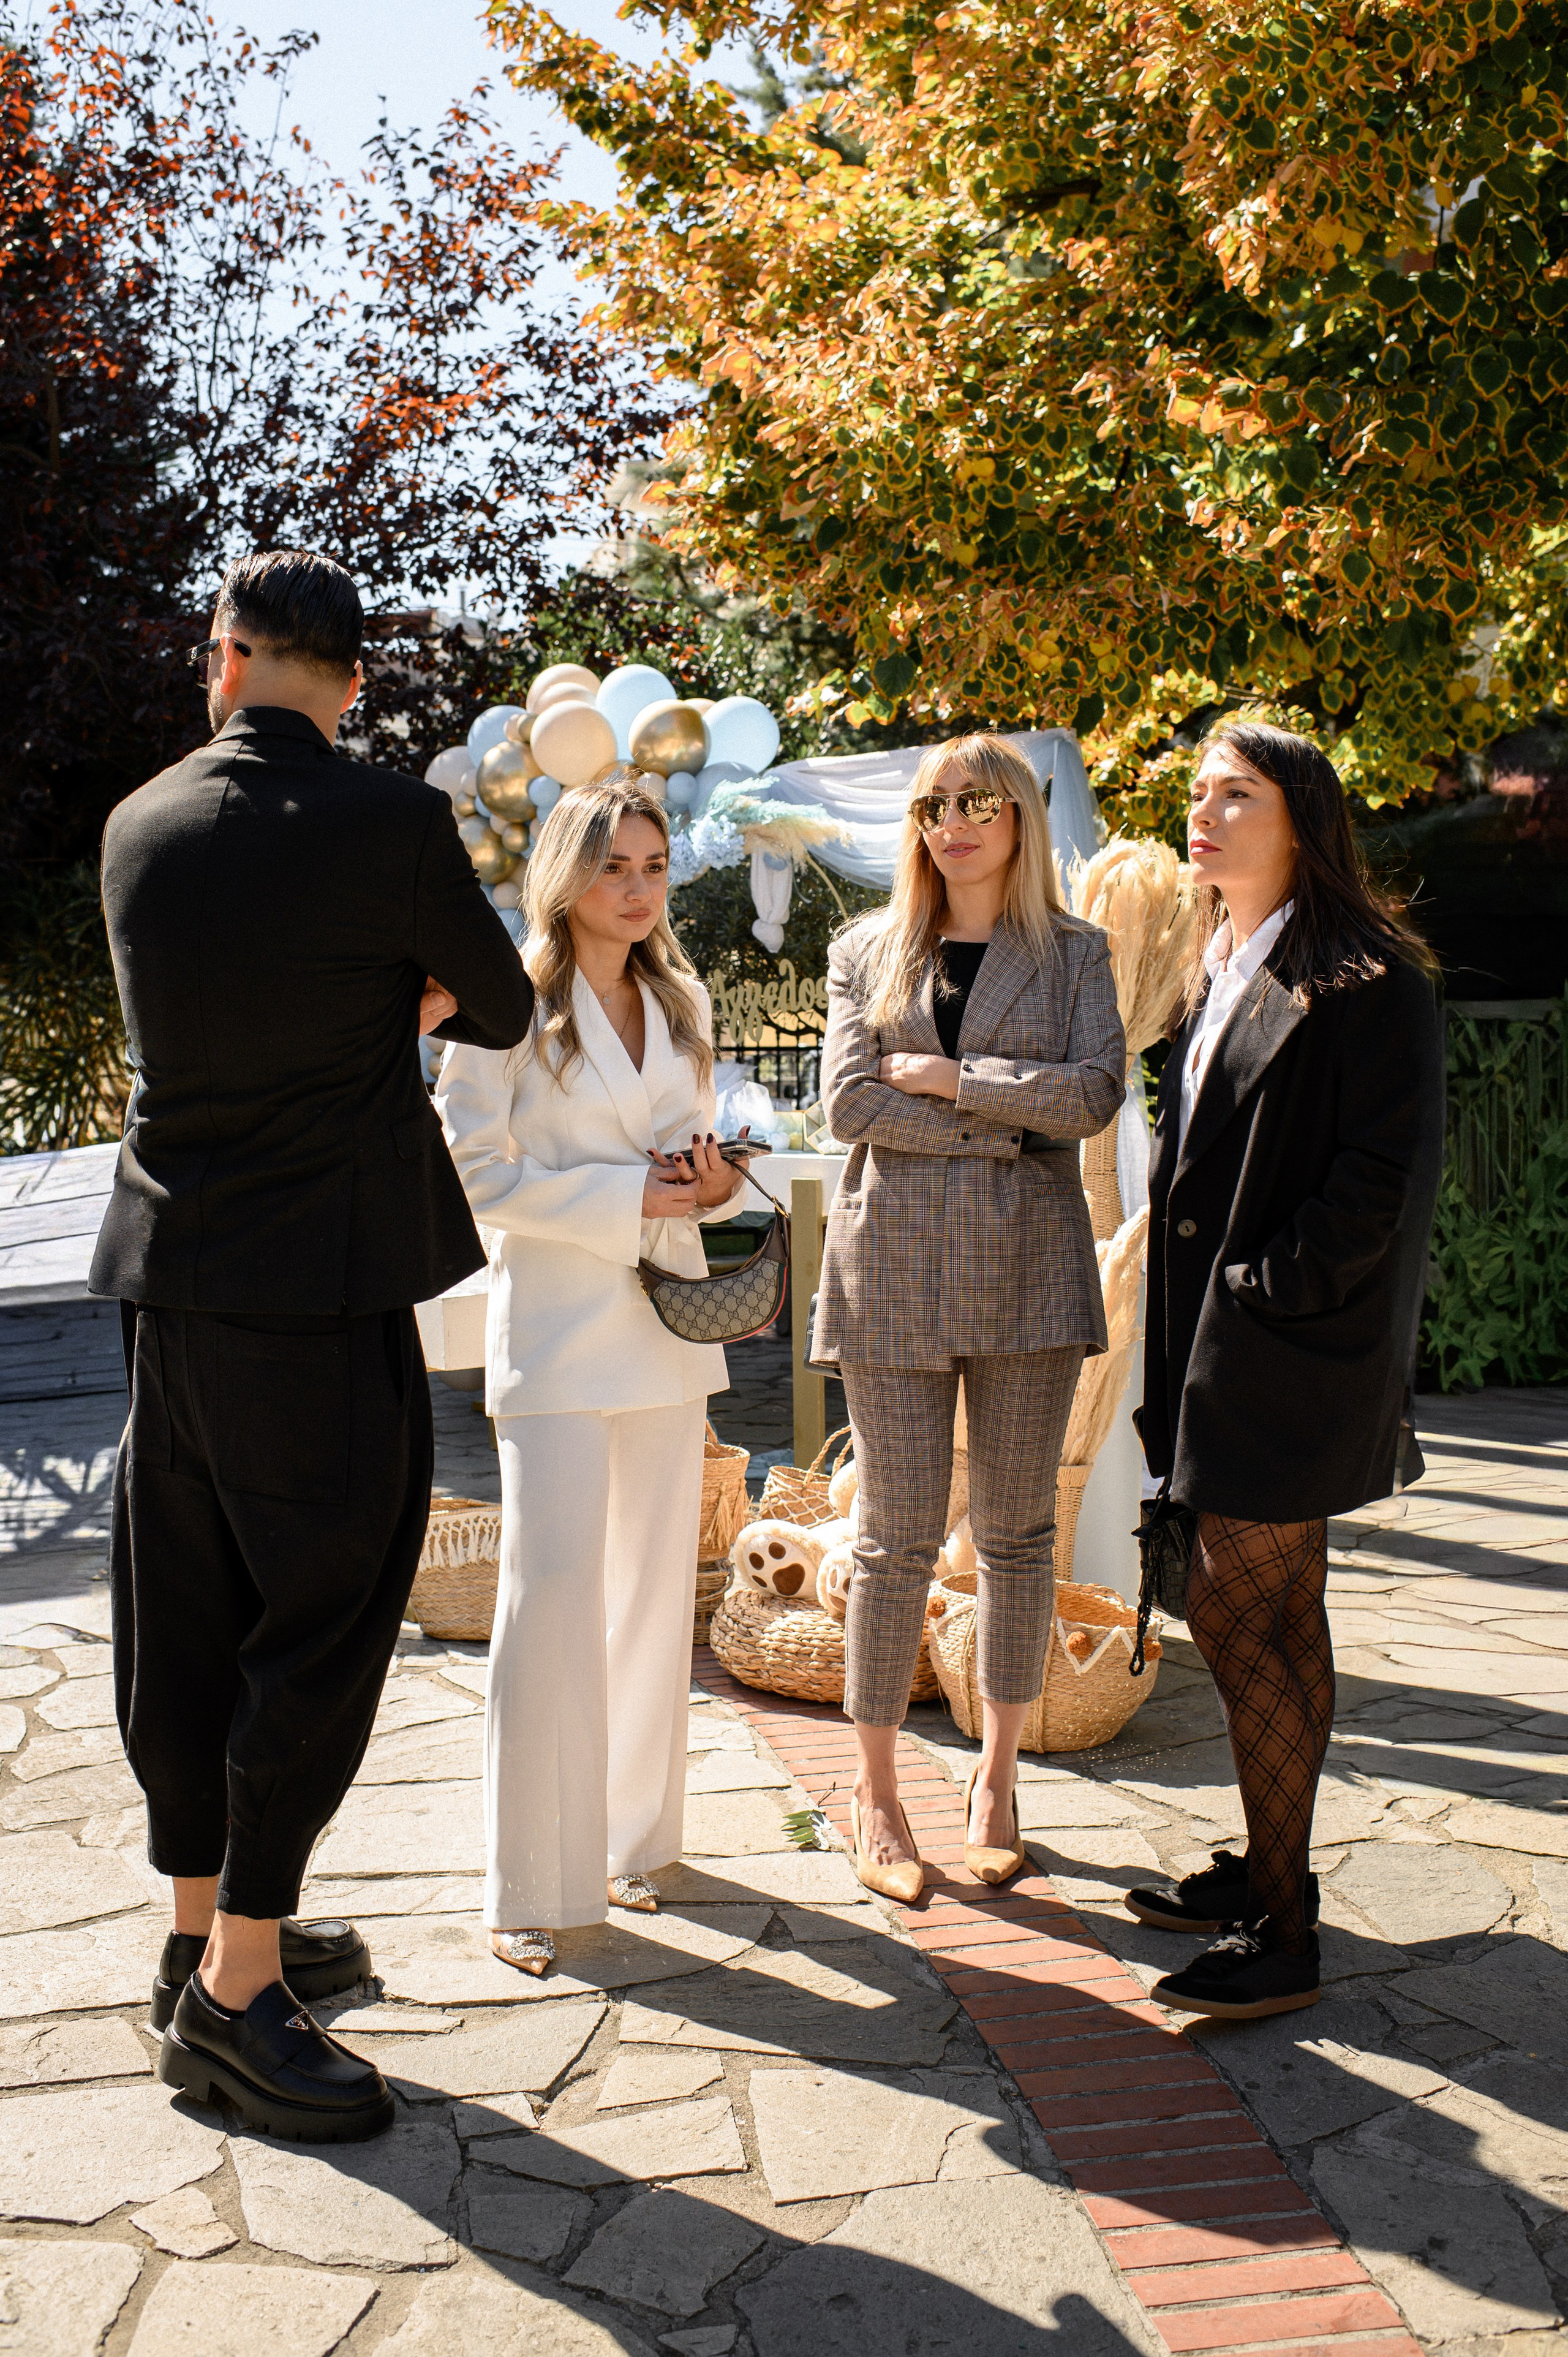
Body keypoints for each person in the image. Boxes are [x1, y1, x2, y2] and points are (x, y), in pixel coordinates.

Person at [91, 550, 533, 2139]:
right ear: (350, 685)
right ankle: (236, 2001)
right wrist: (388, 1013)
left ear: (225, 663)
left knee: (186, 1611)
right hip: (322, 1288)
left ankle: (198, 1933)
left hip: (168, 1280)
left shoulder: (138, 827)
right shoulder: (392, 825)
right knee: (326, 1618)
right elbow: (501, 1006)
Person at [1128, 714, 1444, 2021]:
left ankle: (1281, 1923)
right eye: (1197, 792)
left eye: (1235, 793)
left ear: (1301, 819)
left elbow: (1377, 1179)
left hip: (1281, 1352)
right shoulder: (1212, 960)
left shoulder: (1366, 977)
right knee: (1275, 1616)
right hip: (1218, 1343)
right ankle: (1265, 1870)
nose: (1203, 813)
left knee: (1232, 1612)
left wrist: (1264, 1296)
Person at [436, 778, 748, 1977]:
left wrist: (713, 1181)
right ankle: (529, 1879)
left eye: (654, 865)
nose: (635, 887)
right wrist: (627, 1195)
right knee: (550, 1603)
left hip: (668, 1329)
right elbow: (471, 1171)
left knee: (653, 1596)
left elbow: (693, 1151)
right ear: (565, 873)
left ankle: (636, 1841)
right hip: (560, 1337)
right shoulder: (502, 1002)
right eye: (614, 864)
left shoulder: (679, 995)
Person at [813, 733, 1125, 1902]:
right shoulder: (865, 947)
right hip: (889, 1263)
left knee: (1015, 1536)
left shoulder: (1076, 954)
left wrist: (949, 1083)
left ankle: (996, 1778)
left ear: (1019, 821)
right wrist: (1011, 1122)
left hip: (1026, 1272)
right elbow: (848, 1102)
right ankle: (878, 1793)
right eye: (934, 803)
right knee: (892, 1540)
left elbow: (1091, 1098)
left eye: (979, 801)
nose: (954, 822)